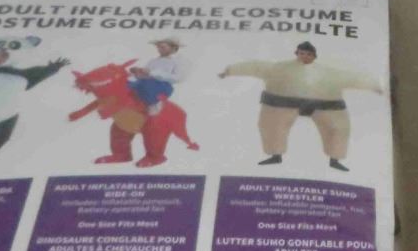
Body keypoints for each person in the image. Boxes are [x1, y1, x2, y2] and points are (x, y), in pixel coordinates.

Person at [221, 41, 382, 172]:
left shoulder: (329, 73)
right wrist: (229, 71)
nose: (305, 56)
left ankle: (335, 159)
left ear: (314, 56)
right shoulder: (277, 69)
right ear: (297, 53)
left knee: (337, 128)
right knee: (272, 127)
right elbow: (253, 66)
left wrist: (374, 86)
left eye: (309, 54)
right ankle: (275, 155)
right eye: (302, 53)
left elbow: (353, 78)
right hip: (281, 103)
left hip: (325, 104)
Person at [130, 38, 184, 115]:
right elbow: (146, 72)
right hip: (146, 82)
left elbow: (177, 78)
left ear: (172, 49)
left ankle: (154, 106)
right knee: (130, 84)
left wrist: (153, 73)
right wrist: (138, 71)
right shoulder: (153, 61)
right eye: (159, 47)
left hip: (162, 86)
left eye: (163, 47)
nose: (159, 49)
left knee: (147, 87)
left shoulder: (175, 62)